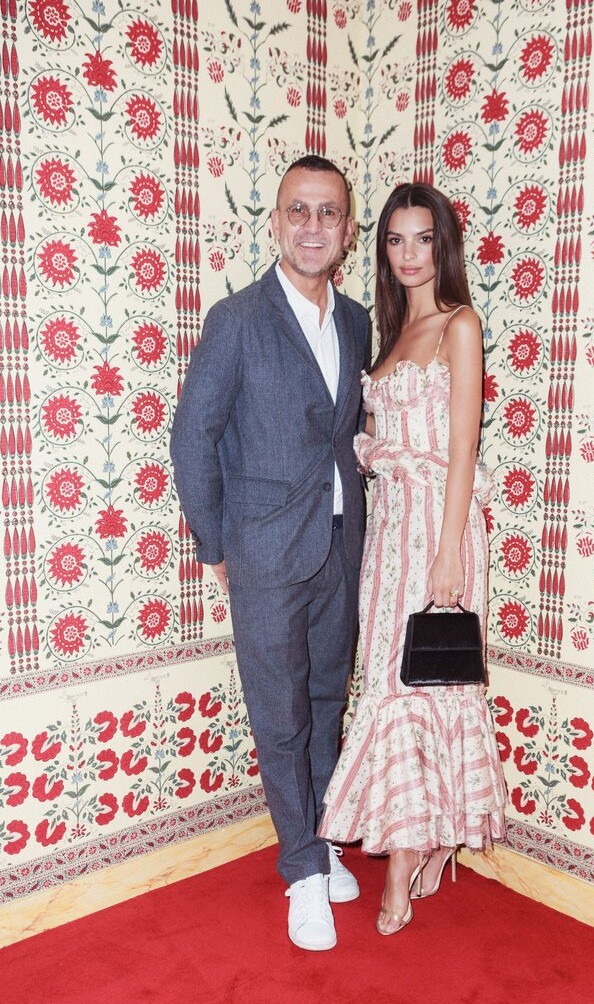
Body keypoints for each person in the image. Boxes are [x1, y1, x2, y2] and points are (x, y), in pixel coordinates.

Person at [170, 155, 371, 952]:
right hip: (262, 552)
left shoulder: (356, 320)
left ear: (347, 230)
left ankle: (320, 838)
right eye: (298, 210)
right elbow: (193, 437)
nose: (312, 226)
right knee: (280, 714)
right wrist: (213, 542)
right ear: (276, 223)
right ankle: (303, 875)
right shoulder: (237, 319)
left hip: (340, 545)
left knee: (324, 702)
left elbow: (343, 431)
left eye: (328, 212)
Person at [319, 182, 507, 935]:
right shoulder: (392, 336)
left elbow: (462, 449)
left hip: (437, 527)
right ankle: (428, 840)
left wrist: (449, 554)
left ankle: (403, 864)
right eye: (395, 240)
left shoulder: (461, 324)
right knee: (390, 684)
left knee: (423, 684)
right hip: (388, 531)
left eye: (422, 238)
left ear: (443, 244)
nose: (408, 254)